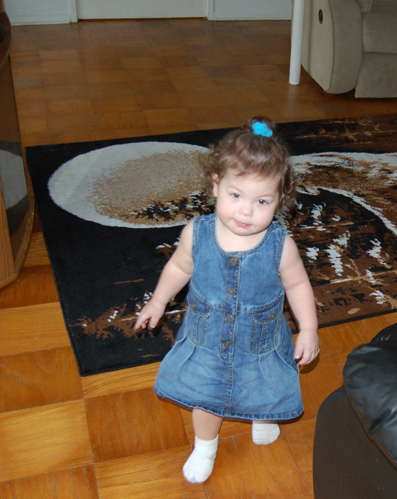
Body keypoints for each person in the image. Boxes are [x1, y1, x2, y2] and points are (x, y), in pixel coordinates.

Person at [134, 117, 320, 483]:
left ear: (279, 199)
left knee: (264, 385)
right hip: (206, 336)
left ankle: (262, 417)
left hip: (260, 340)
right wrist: (158, 301)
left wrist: (309, 328)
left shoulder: (281, 246)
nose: (247, 211)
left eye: (262, 200)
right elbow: (178, 268)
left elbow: (298, 286)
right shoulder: (196, 232)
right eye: (236, 195)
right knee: (206, 395)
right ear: (216, 185)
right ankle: (206, 445)